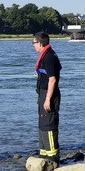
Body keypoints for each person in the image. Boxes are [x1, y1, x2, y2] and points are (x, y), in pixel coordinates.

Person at [33, 32, 62, 162]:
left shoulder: (49, 57)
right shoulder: (45, 55)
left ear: (40, 43)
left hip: (49, 94)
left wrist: (48, 99)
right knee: (43, 123)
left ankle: (52, 157)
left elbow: (52, 79)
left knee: (48, 124)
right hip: (43, 93)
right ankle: (44, 154)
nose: (33, 45)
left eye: (34, 43)